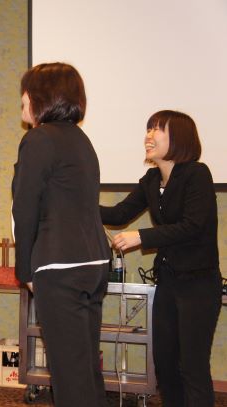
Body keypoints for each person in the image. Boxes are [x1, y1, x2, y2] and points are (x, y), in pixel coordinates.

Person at [100, 110, 222, 407]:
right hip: (168, 283)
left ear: (178, 137)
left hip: (199, 285)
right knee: (165, 364)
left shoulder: (197, 174)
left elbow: (192, 226)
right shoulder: (152, 179)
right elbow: (118, 214)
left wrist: (141, 237)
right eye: (148, 129)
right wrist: (77, 204)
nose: (149, 135)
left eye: (157, 129)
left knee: (192, 366)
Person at [11, 62, 111, 407]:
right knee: (84, 369)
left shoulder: (38, 138)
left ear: (40, 96)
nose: (21, 101)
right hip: (94, 263)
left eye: (25, 92)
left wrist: (24, 270)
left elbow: (24, 210)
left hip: (61, 267)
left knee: (70, 378)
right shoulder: (81, 140)